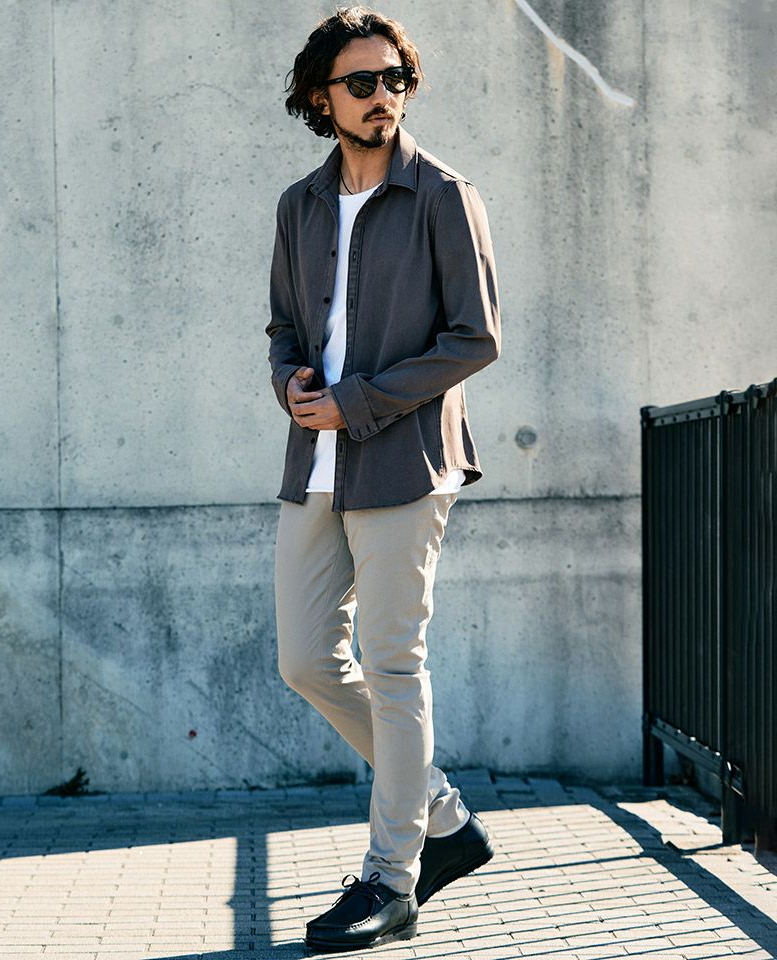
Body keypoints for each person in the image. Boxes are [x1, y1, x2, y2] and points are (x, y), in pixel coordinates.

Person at [266, 6, 501, 951]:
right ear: (320, 97)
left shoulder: (443, 195)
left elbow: (475, 338)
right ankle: (440, 815)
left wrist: (357, 401)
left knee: (396, 665)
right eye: (360, 83)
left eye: (394, 80)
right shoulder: (300, 204)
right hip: (316, 463)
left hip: (405, 461)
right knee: (304, 660)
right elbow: (285, 327)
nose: (381, 97)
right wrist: (290, 381)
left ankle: (391, 879)